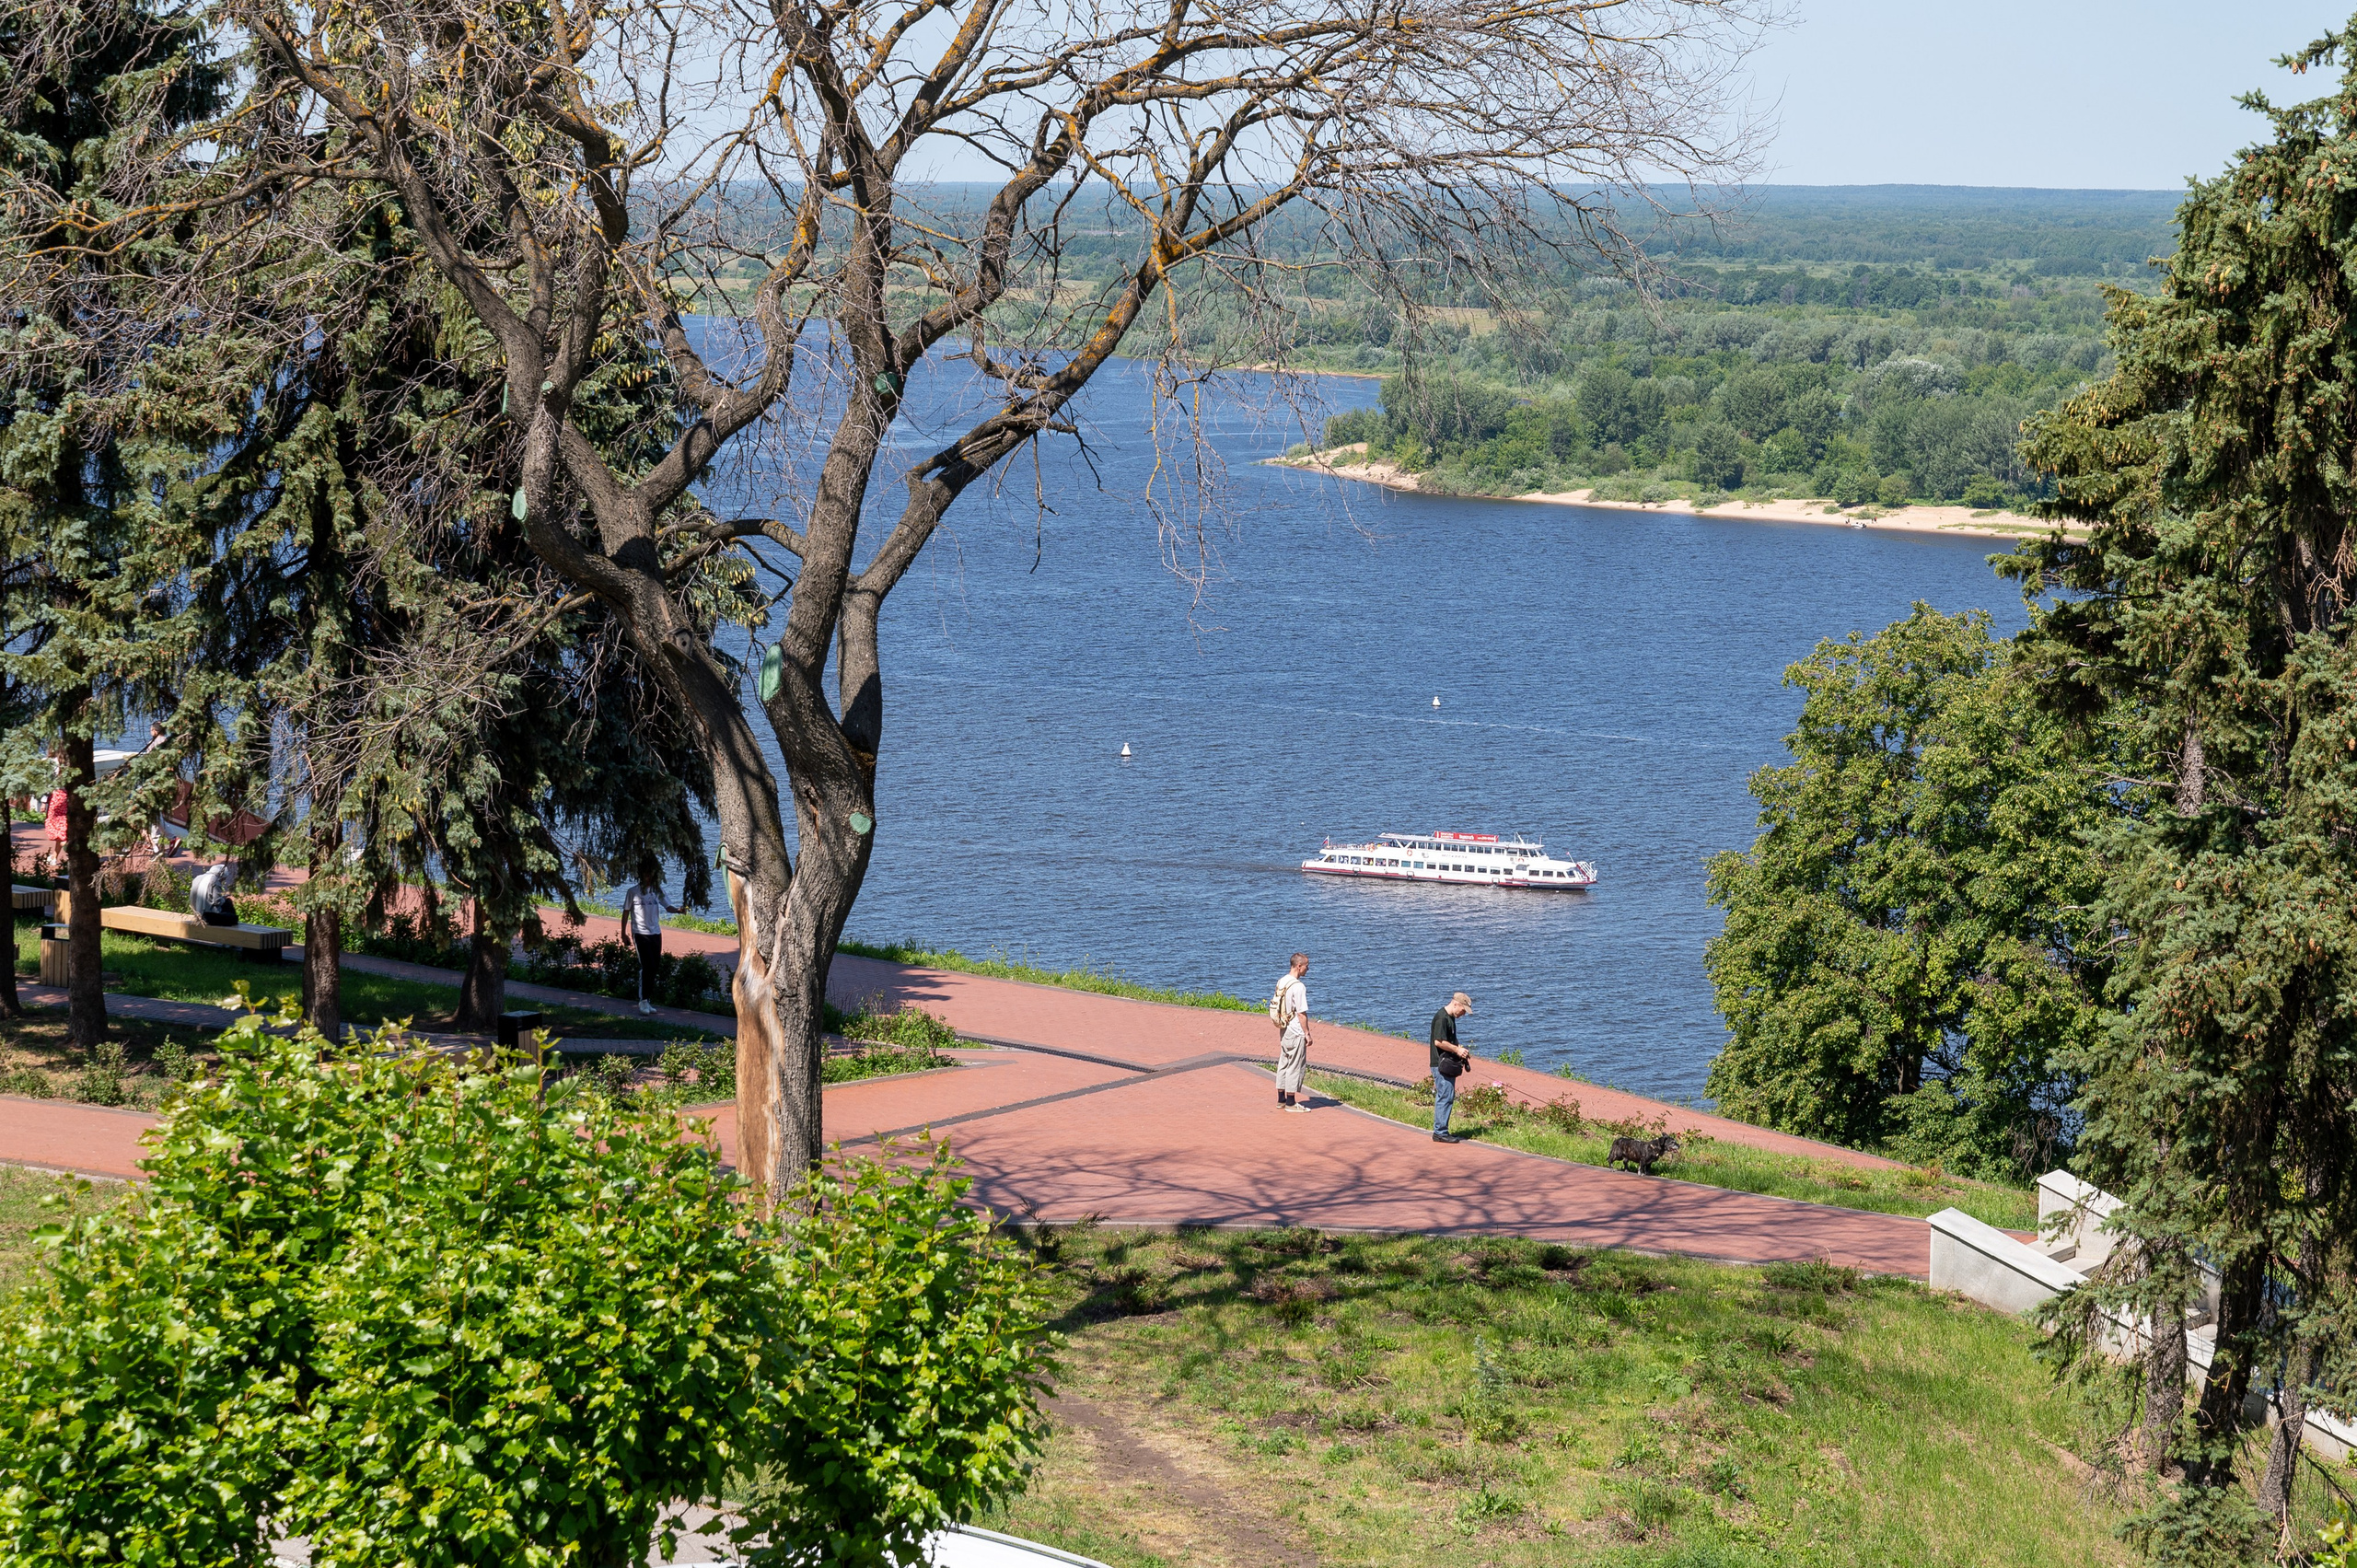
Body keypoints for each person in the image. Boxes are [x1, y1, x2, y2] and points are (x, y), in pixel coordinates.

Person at [621, 865, 681, 1015]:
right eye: (647, 875)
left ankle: (647, 1000)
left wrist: (678, 910)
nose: (649, 878)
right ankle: (642, 1001)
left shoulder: (657, 891)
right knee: (646, 966)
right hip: (640, 933)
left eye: (652, 875)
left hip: (655, 933)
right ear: (641, 876)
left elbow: (668, 907)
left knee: (654, 967)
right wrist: (623, 933)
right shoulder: (632, 892)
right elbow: (626, 912)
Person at [1271, 951, 1313, 1112]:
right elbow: (1301, 1013)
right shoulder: (1298, 986)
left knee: (1284, 1063)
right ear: (1299, 966)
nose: (1308, 969)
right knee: (1295, 1065)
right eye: (1307, 966)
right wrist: (1307, 1033)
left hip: (1283, 1027)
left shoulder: (1282, 981)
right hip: (1295, 1030)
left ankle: (1281, 1099)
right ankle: (1291, 1102)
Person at [1430, 992, 1473, 1143]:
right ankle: (1440, 1132)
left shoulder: (1451, 1018)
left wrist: (1460, 1049)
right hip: (1441, 1064)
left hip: (1447, 1063)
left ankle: (1441, 1130)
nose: (1463, 1014)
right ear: (1456, 1004)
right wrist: (1457, 1050)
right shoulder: (1442, 1018)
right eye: (1463, 1010)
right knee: (1445, 1096)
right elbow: (1439, 1042)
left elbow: (1449, 1041)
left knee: (1446, 1095)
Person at [190, 861, 238, 927]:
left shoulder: (198, 877)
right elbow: (217, 901)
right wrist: (223, 898)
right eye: (224, 879)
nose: (223, 881)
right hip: (208, 917)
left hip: (197, 913)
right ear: (221, 875)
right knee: (229, 905)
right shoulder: (215, 881)